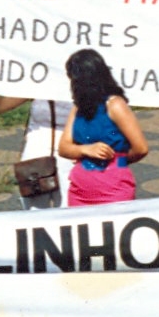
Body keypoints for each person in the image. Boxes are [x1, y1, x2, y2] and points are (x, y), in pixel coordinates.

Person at [58, 48, 148, 205]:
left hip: (113, 189)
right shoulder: (78, 108)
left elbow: (140, 148)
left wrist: (118, 160)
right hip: (79, 191)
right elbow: (63, 148)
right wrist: (84, 150)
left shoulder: (115, 105)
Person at [0, 95, 75, 209]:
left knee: (70, 211)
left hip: (73, 153)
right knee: (34, 212)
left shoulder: (89, 83)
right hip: (36, 154)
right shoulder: (39, 81)